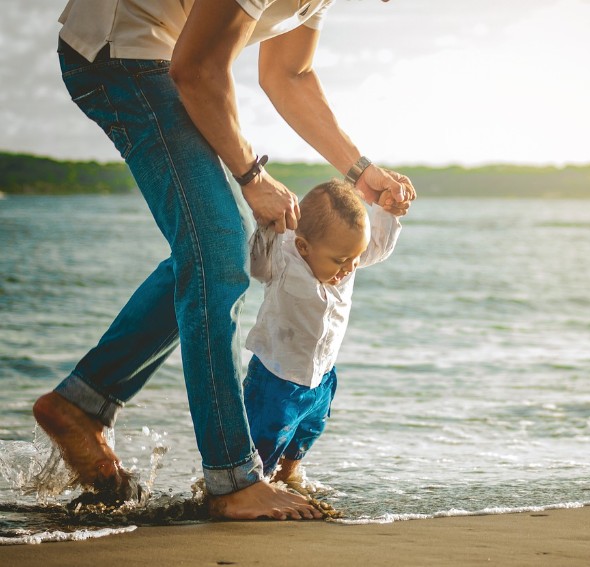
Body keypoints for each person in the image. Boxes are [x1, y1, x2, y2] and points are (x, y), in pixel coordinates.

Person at [32, 0, 415, 521]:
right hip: (121, 54)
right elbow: (196, 69)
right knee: (218, 248)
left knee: (215, 253)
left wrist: (359, 169)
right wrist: (252, 177)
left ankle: (83, 403)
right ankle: (232, 479)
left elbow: (291, 73)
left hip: (159, 57)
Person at [243, 179, 409, 488]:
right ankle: (253, 488)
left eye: (355, 258)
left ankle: (289, 474)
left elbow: (377, 247)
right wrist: (266, 225)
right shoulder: (283, 257)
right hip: (276, 378)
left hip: (322, 376)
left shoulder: (346, 255)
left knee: (309, 430)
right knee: (263, 440)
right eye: (340, 260)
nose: (349, 268)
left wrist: (387, 212)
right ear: (303, 246)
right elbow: (255, 264)